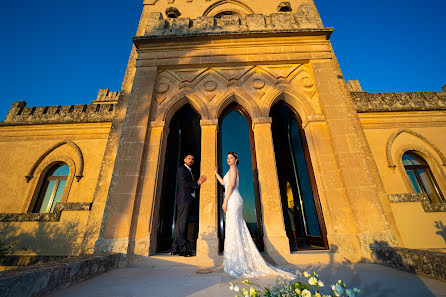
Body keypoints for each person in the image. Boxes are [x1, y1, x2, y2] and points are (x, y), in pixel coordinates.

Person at [214, 152, 296, 278]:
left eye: (231, 158)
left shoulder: (234, 169)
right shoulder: (230, 170)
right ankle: (235, 261)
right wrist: (216, 174)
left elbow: (230, 185)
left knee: (234, 229)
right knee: (234, 229)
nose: (229, 160)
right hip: (233, 198)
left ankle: (238, 262)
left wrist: (225, 201)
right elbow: (224, 184)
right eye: (227, 158)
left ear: (236, 160)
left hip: (233, 199)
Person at [172, 153, 206, 257]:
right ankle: (182, 249)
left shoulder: (190, 171)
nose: (191, 160)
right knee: (181, 224)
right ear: (184, 159)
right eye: (189, 158)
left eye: (192, 159)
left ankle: (175, 248)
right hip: (183, 199)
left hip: (188, 199)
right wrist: (197, 183)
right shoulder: (182, 169)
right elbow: (184, 184)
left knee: (179, 224)